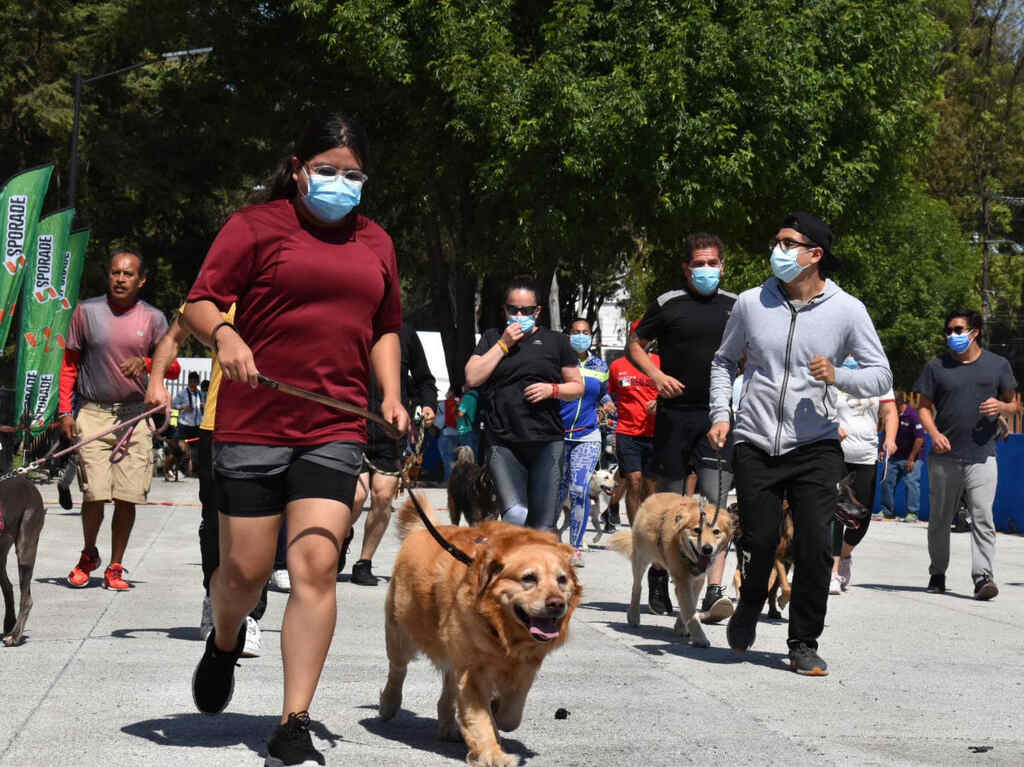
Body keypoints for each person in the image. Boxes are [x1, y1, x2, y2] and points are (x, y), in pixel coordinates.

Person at [183, 111, 408, 766]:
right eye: (329, 171)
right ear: (298, 169)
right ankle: (224, 641)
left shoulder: (377, 243)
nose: (341, 182)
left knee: (315, 565)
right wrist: (225, 335)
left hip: (335, 424)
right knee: (246, 574)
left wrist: (390, 395)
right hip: (254, 421)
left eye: (354, 174)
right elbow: (199, 302)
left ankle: (293, 718)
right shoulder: (255, 228)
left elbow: (386, 326)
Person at [709, 212, 892, 676]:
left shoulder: (848, 309)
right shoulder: (751, 303)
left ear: (815, 255)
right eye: (778, 241)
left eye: (789, 243)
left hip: (816, 445)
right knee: (762, 538)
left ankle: (803, 641)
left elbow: (881, 374)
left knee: (814, 545)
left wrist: (840, 374)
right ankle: (750, 602)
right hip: (754, 440)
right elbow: (724, 360)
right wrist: (720, 413)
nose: (779, 250)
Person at [145, 306, 265, 657]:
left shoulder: (287, 282)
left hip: (269, 426)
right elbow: (173, 337)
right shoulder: (214, 295)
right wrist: (156, 381)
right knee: (214, 524)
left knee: (261, 526)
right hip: (219, 424)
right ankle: (214, 601)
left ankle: (251, 616)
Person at [628, 233, 736, 623]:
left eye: (712, 263)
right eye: (698, 264)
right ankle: (661, 573)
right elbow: (635, 343)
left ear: (723, 265)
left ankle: (714, 590)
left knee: (716, 502)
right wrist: (656, 376)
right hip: (675, 415)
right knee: (669, 505)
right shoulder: (667, 303)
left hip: (717, 416)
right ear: (686, 268)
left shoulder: (738, 306)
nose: (706, 270)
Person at [60, 250, 174, 592]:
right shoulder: (86, 312)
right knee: (93, 493)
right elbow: (68, 364)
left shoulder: (153, 318)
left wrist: (148, 361)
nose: (120, 279)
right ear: (108, 276)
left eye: (128, 274)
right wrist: (65, 411)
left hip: (135, 417)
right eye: (115, 273)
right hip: (93, 413)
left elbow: (175, 365)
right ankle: (88, 554)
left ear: (141, 280)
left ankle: (115, 565)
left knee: (127, 496)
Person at [913, 308, 1018, 600]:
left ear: (974, 332)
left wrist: (1001, 407)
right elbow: (923, 406)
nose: (952, 335)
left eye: (958, 330)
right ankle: (937, 573)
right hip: (943, 457)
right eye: (949, 330)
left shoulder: (998, 365)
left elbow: (1013, 405)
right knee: (939, 520)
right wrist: (934, 434)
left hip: (983, 455)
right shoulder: (936, 367)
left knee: (983, 517)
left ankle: (983, 577)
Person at [464, 276, 583, 530]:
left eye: (526, 310)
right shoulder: (492, 338)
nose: (519, 315)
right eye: (513, 309)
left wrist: (552, 389)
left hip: (546, 442)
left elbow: (577, 386)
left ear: (538, 311)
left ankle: (545, 563)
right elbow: (472, 377)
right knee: (516, 517)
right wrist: (503, 344)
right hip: (504, 441)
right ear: (504, 310)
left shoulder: (557, 341)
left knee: (542, 527)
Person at [344, 322, 435, 586]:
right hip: (352, 424)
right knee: (357, 495)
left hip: (390, 429)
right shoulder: (349, 324)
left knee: (383, 496)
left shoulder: (404, 333)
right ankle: (341, 538)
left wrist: (427, 405)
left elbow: (424, 380)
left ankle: (364, 562)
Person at [828, 356, 897, 594]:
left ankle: (846, 554)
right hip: (835, 453)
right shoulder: (831, 372)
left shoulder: (879, 376)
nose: (851, 357)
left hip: (866, 455)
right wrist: (831, 426)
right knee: (836, 513)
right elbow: (819, 406)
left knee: (862, 517)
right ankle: (833, 571)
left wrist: (889, 439)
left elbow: (889, 412)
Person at [558, 317, 610, 566]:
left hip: (587, 435)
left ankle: (575, 547)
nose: (580, 335)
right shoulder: (558, 360)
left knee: (579, 490)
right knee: (556, 493)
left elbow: (604, 392)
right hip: (556, 435)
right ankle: (545, 541)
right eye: (576, 331)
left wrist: (609, 405)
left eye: (585, 332)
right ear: (568, 334)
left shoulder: (600, 365)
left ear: (592, 336)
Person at [608, 320, 659, 525]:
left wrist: (660, 402)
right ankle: (636, 533)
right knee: (633, 481)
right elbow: (608, 394)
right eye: (640, 336)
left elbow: (674, 391)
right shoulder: (617, 366)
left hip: (655, 433)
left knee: (650, 487)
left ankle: (651, 530)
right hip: (626, 432)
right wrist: (606, 406)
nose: (644, 341)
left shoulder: (660, 362)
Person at [879, 392, 925, 522]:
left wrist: (911, 459)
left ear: (899, 403)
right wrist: (882, 449)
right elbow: (885, 430)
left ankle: (912, 513)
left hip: (913, 456)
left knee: (911, 482)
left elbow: (920, 438)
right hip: (895, 455)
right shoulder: (893, 414)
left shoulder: (913, 415)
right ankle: (887, 512)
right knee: (886, 480)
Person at [171, 371, 203, 475]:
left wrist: (203, 406)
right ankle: (180, 470)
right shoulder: (182, 393)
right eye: (191, 381)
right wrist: (183, 407)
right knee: (183, 449)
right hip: (184, 425)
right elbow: (173, 404)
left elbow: (201, 406)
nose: (193, 384)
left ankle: (191, 471)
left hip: (196, 426)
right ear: (189, 381)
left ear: (198, 382)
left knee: (195, 450)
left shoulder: (200, 393)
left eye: (195, 381)